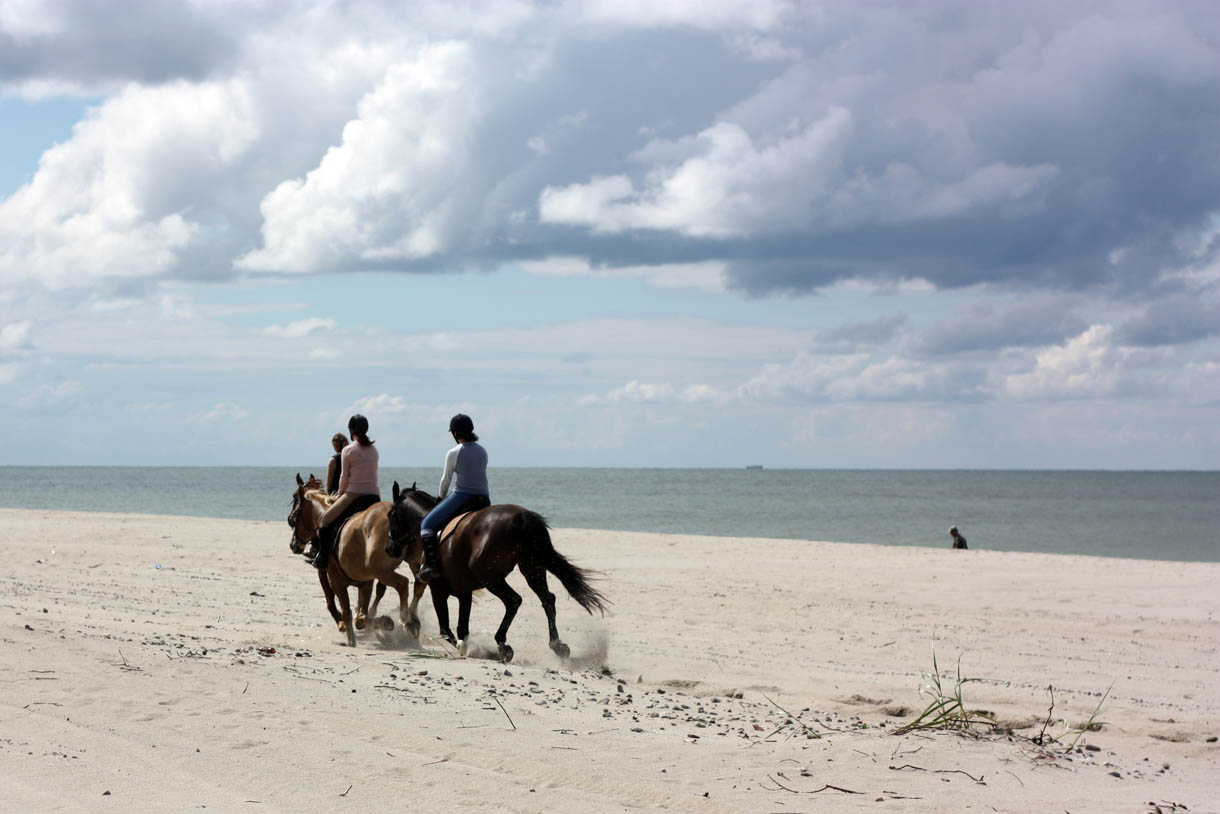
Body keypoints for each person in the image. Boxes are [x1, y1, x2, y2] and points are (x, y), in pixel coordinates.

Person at [416, 413, 490, 584]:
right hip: (484, 498)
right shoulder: (482, 450)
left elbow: (446, 480)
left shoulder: (454, 452)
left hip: (462, 496)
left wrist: (440, 499)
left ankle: (432, 566)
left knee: (426, 524)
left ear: (455, 434)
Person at [308, 415, 380, 569]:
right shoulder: (374, 450)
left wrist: (339, 496)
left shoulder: (348, 450)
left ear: (351, 430)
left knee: (324, 520)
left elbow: (343, 479)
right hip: (374, 495)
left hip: (353, 494)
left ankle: (323, 558)